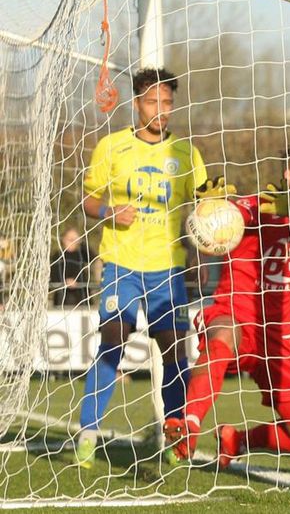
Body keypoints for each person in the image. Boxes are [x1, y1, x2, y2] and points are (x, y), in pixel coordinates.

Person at [75, 68, 215, 469]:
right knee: (114, 339)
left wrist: (203, 254)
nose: (161, 110)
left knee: (174, 350)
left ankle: (174, 435)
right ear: (137, 104)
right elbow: (89, 201)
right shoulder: (112, 147)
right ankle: (88, 433)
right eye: (153, 102)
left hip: (168, 269)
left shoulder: (186, 154)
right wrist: (107, 211)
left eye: (168, 103)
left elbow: (205, 211)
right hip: (121, 262)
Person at [163, 143, 290, 465]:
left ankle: (236, 440)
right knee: (222, 334)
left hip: (283, 339)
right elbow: (231, 219)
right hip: (237, 317)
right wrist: (212, 211)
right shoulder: (260, 206)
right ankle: (189, 425)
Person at [50, 228, 98, 307]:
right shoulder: (58, 255)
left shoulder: (81, 254)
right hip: (63, 297)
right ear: (63, 240)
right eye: (70, 239)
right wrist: (64, 281)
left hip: (82, 296)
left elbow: (93, 258)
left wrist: (81, 242)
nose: (72, 242)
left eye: (74, 240)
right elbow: (53, 274)